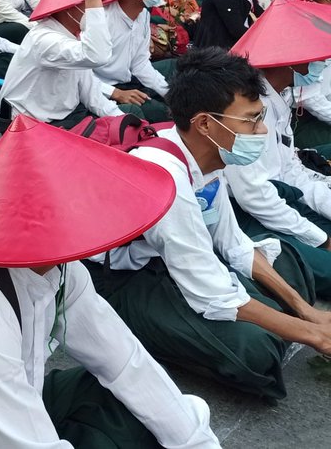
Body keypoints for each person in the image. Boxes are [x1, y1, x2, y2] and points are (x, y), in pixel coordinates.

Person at [0, 114, 220, 449]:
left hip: (5, 391)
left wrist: (196, 441)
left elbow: (124, 360)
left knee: (146, 411)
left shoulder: (62, 267)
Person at [90, 47, 331, 399]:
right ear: (205, 123)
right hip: (117, 281)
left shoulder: (210, 157)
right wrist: (317, 335)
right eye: (251, 119)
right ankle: (133, 330)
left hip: (166, 263)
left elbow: (235, 245)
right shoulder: (165, 178)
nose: (261, 130)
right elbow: (212, 293)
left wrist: (307, 313)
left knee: (289, 280)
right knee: (255, 351)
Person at [223, 0, 331, 297]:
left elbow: (290, 170)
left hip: (278, 194)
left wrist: (325, 200)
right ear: (291, 60)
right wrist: (318, 238)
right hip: (245, 212)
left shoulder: (277, 95)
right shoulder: (246, 110)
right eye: (313, 58)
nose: (319, 64)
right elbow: (255, 198)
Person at [0, 0, 119, 131]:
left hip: (65, 116)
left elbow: (91, 94)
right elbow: (98, 56)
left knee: (128, 120)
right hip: (29, 125)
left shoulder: (74, 37)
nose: (96, 8)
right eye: (89, 4)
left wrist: (122, 120)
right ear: (69, 7)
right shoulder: (44, 39)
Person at [93, 0, 176, 122]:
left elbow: (140, 63)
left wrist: (169, 93)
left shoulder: (142, 15)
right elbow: (79, 74)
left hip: (128, 80)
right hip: (101, 90)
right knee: (162, 114)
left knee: (177, 93)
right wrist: (116, 94)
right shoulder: (102, 20)